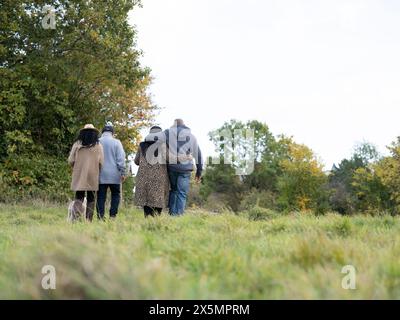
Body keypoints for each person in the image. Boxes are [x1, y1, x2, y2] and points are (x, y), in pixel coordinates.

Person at [164, 119, 203, 216]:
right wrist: (199, 172)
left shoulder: (167, 134)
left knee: (173, 190)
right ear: (184, 125)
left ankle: (172, 214)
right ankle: (179, 215)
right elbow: (198, 155)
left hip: (172, 167)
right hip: (185, 169)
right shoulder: (191, 136)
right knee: (182, 193)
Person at [68, 124, 104, 222]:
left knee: (79, 197)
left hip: (79, 174)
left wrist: (76, 167)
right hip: (93, 175)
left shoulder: (77, 144)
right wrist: (97, 170)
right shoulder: (98, 145)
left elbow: (71, 160)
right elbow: (101, 162)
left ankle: (76, 219)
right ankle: (89, 221)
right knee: (91, 199)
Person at [134, 126, 170, 217]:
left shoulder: (141, 145)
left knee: (146, 201)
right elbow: (169, 159)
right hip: (159, 177)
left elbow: (136, 161)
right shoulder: (163, 145)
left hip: (144, 176)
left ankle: (148, 220)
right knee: (158, 200)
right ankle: (156, 222)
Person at [97, 122, 126, 220]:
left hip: (101, 174)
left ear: (103, 132)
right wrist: (123, 172)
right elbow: (121, 159)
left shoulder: (97, 141)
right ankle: (112, 216)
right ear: (112, 133)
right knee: (115, 195)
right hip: (115, 175)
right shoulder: (117, 142)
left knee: (101, 197)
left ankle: (100, 217)